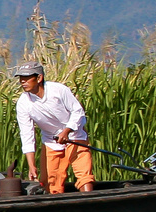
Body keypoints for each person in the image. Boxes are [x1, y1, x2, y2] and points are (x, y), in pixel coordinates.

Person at [14, 62, 95, 193]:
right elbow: (27, 134)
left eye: (27, 78)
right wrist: (31, 165)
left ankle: (90, 202)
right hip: (51, 140)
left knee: (84, 175)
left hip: (75, 135)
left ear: (39, 78)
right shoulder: (23, 103)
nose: (23, 81)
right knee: (51, 181)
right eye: (21, 78)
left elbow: (77, 111)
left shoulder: (58, 90)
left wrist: (66, 131)